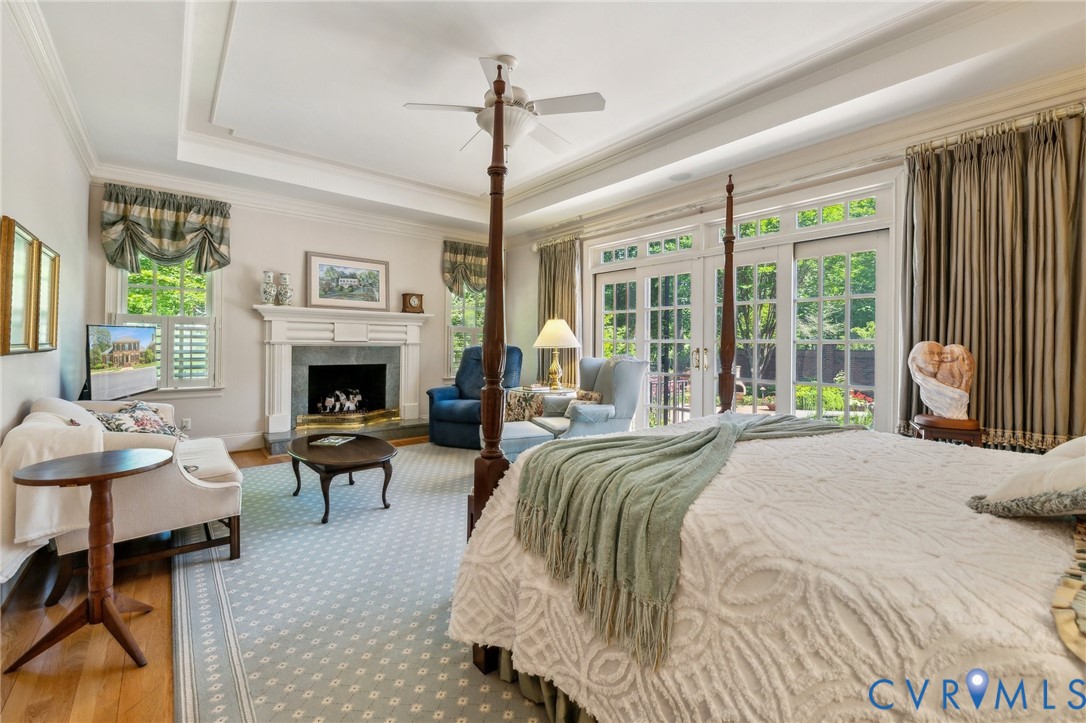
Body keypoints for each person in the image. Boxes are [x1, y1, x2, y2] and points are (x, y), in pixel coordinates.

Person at [907, 340, 971, 419]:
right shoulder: (926, 391)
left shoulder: (950, 380)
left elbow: (959, 402)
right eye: (930, 353)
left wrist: (966, 377)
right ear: (914, 359)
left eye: (939, 354)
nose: (937, 358)